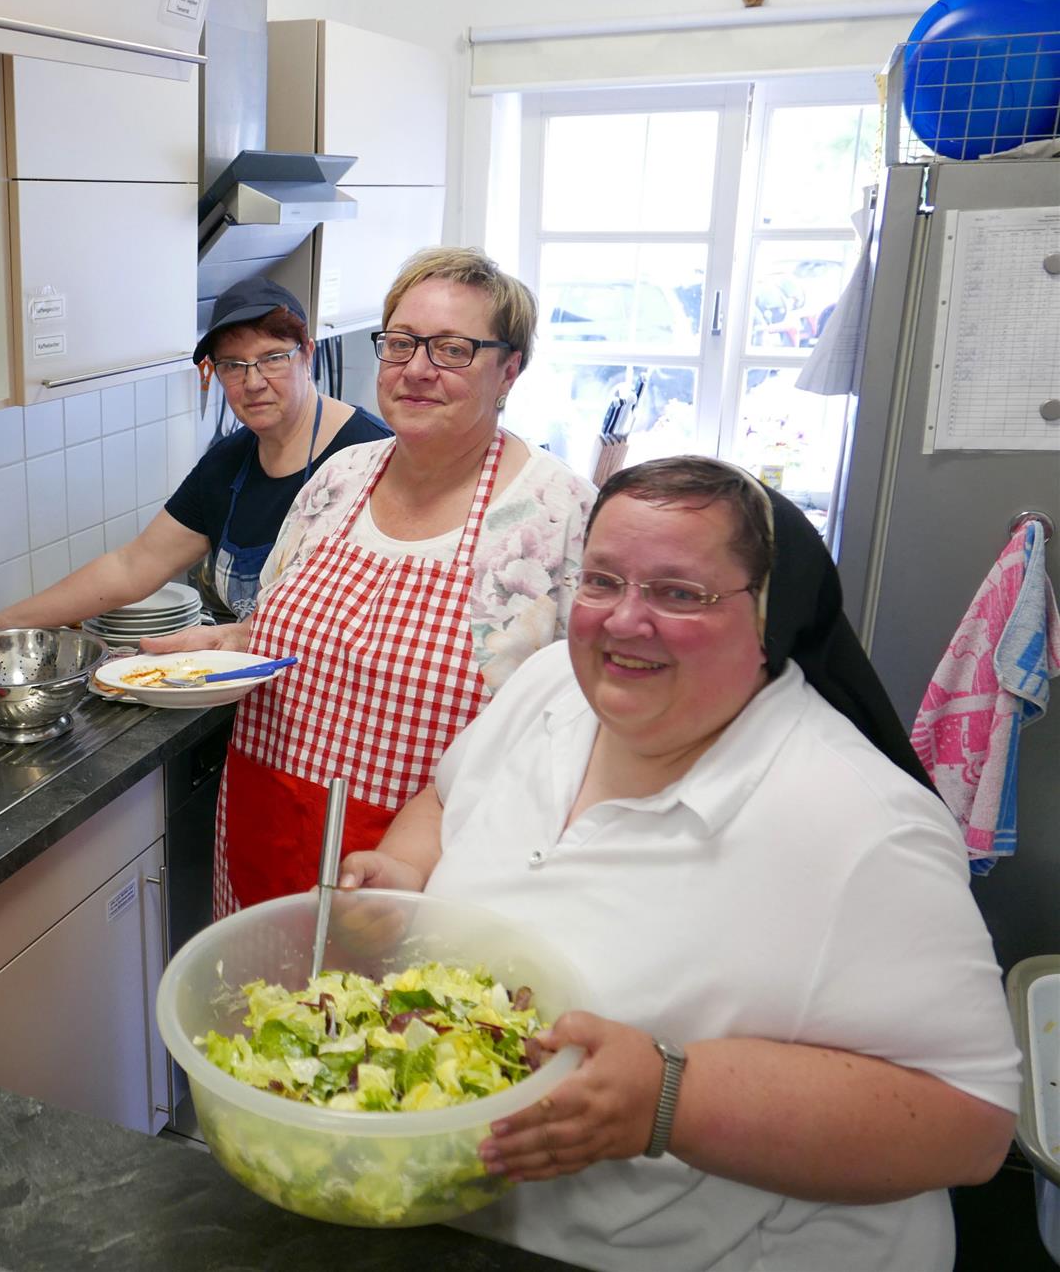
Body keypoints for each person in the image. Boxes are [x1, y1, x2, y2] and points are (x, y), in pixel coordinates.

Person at [338, 456, 1021, 1272]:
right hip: (479, 1225)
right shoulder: (553, 685)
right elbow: (449, 801)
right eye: (601, 581)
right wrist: (405, 872)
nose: (625, 621)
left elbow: (971, 1124)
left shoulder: (860, 825)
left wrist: (670, 1098)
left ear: (768, 617)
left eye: (678, 593)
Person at [148, 248, 597, 916]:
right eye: (401, 343)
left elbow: (586, 725)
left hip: (438, 880)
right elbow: (288, 634)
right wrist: (218, 644)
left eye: (452, 349)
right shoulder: (336, 479)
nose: (417, 369)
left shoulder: (561, 517)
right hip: (264, 840)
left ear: (509, 371)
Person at [0, 277, 388, 628]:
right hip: (256, 701)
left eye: (272, 359)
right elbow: (131, 567)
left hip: (340, 703)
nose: (254, 381)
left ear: (308, 355)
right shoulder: (227, 465)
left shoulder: (371, 457)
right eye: (232, 365)